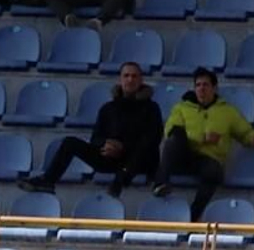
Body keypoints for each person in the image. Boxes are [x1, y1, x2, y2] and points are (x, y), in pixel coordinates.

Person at [19, 61, 160, 196]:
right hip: (110, 158)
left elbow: (151, 140)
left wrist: (122, 148)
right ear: (120, 79)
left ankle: (122, 179)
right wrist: (105, 145)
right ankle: (48, 180)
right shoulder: (108, 108)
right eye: (126, 76)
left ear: (141, 80)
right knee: (70, 142)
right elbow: (95, 138)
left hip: (137, 162)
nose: (130, 80)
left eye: (134, 76)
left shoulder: (151, 108)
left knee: (145, 150)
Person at [153, 67, 254, 219]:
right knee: (174, 139)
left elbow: (244, 132)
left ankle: (193, 215)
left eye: (205, 85)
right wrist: (202, 138)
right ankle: (160, 183)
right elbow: (171, 130)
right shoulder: (182, 108)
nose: (201, 89)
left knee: (214, 172)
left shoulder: (227, 111)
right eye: (198, 85)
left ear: (214, 88)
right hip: (184, 154)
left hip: (208, 160)